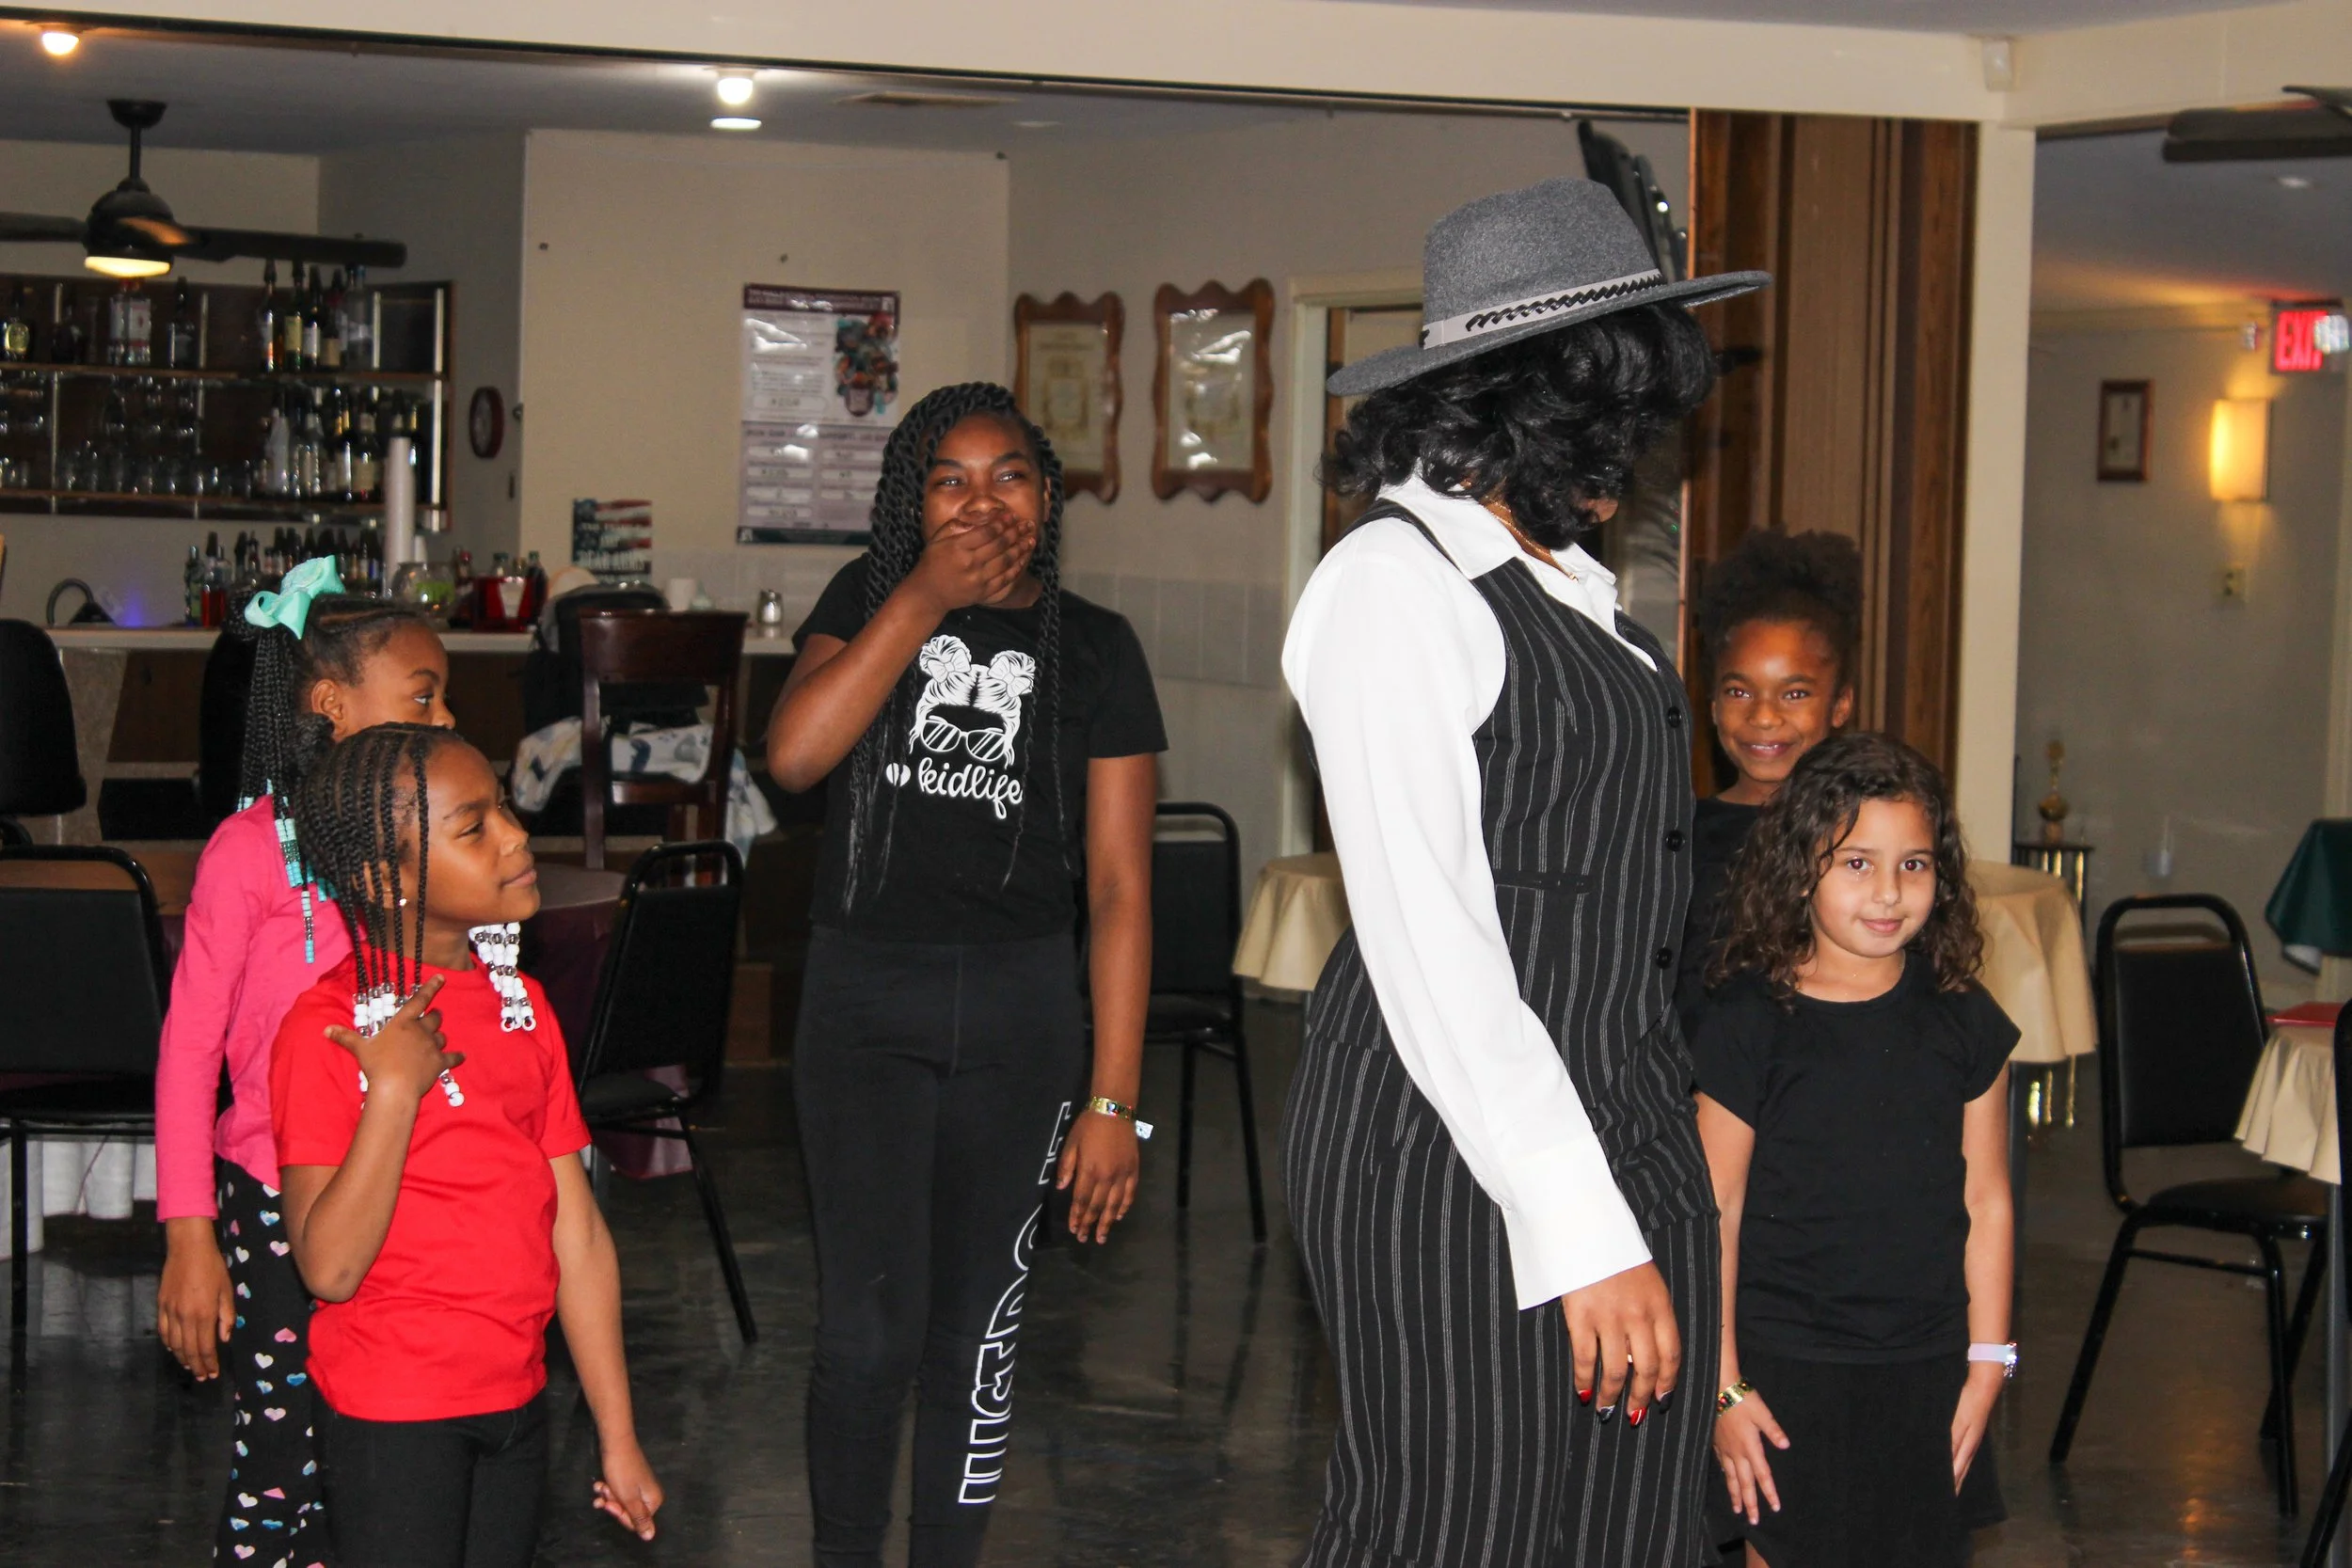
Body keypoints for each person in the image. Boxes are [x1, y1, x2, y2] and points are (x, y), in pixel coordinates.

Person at [1281, 177, 1769, 1566]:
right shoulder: (1393, 583)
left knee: (1632, 1529)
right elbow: (1431, 939)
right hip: (1444, 1148)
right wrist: (1575, 1219)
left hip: (1622, 1119)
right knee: (1458, 1527)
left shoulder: (1561, 580)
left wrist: (1629, 1192)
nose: (1637, 453)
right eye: (1615, 414)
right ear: (1532, 401)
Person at [765, 381, 1165, 1568]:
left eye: (1011, 476)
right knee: (866, 1336)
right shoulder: (863, 600)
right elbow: (794, 755)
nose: (982, 499)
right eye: (951, 477)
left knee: (975, 1335)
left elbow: (1120, 892)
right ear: (912, 500)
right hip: (863, 1005)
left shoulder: (1097, 647)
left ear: (1046, 501)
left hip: (1021, 1015)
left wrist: (1113, 1099)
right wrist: (924, 600)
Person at [271, 724, 661, 1568]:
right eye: (474, 825)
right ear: (385, 878)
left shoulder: (522, 1004)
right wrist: (397, 1092)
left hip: (517, 1399)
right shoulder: (328, 1028)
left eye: (505, 809)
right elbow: (328, 1269)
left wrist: (617, 1433)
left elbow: (579, 1236)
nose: (517, 834)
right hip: (394, 1412)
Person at [152, 559, 454, 1566]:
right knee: (282, 1455)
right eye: (423, 693)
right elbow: (190, 1048)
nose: (444, 716)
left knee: (379, 1451)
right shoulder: (249, 851)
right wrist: (191, 1234)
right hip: (276, 1196)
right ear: (329, 702)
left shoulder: (419, 845)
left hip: (394, 1186)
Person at [1695, 733, 2014, 1568]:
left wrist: (1988, 1361)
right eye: (1856, 863)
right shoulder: (1748, 1022)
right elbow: (1713, 1208)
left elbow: (1987, 1198)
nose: (1888, 891)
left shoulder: (1963, 1017)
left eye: (1914, 864)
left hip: (1930, 1364)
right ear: (1800, 868)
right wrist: (1723, 1384)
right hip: (1786, 1364)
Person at [1676, 531, 1862, 1040]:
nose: (1762, 717)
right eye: (1739, 690)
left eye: (1794, 693)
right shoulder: (1681, 837)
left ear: (1840, 704)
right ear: (1712, 704)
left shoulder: (1865, 834)